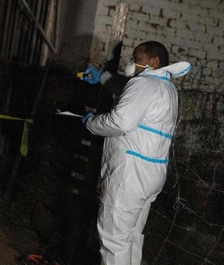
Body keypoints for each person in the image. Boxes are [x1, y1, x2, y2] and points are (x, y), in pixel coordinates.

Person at [81, 41, 191, 265]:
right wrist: (103, 78)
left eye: (136, 58)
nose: (132, 64)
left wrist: (92, 122)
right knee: (130, 237)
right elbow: (131, 94)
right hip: (151, 173)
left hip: (129, 175)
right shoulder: (166, 88)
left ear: (154, 61)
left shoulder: (143, 84)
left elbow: (120, 122)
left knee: (114, 240)